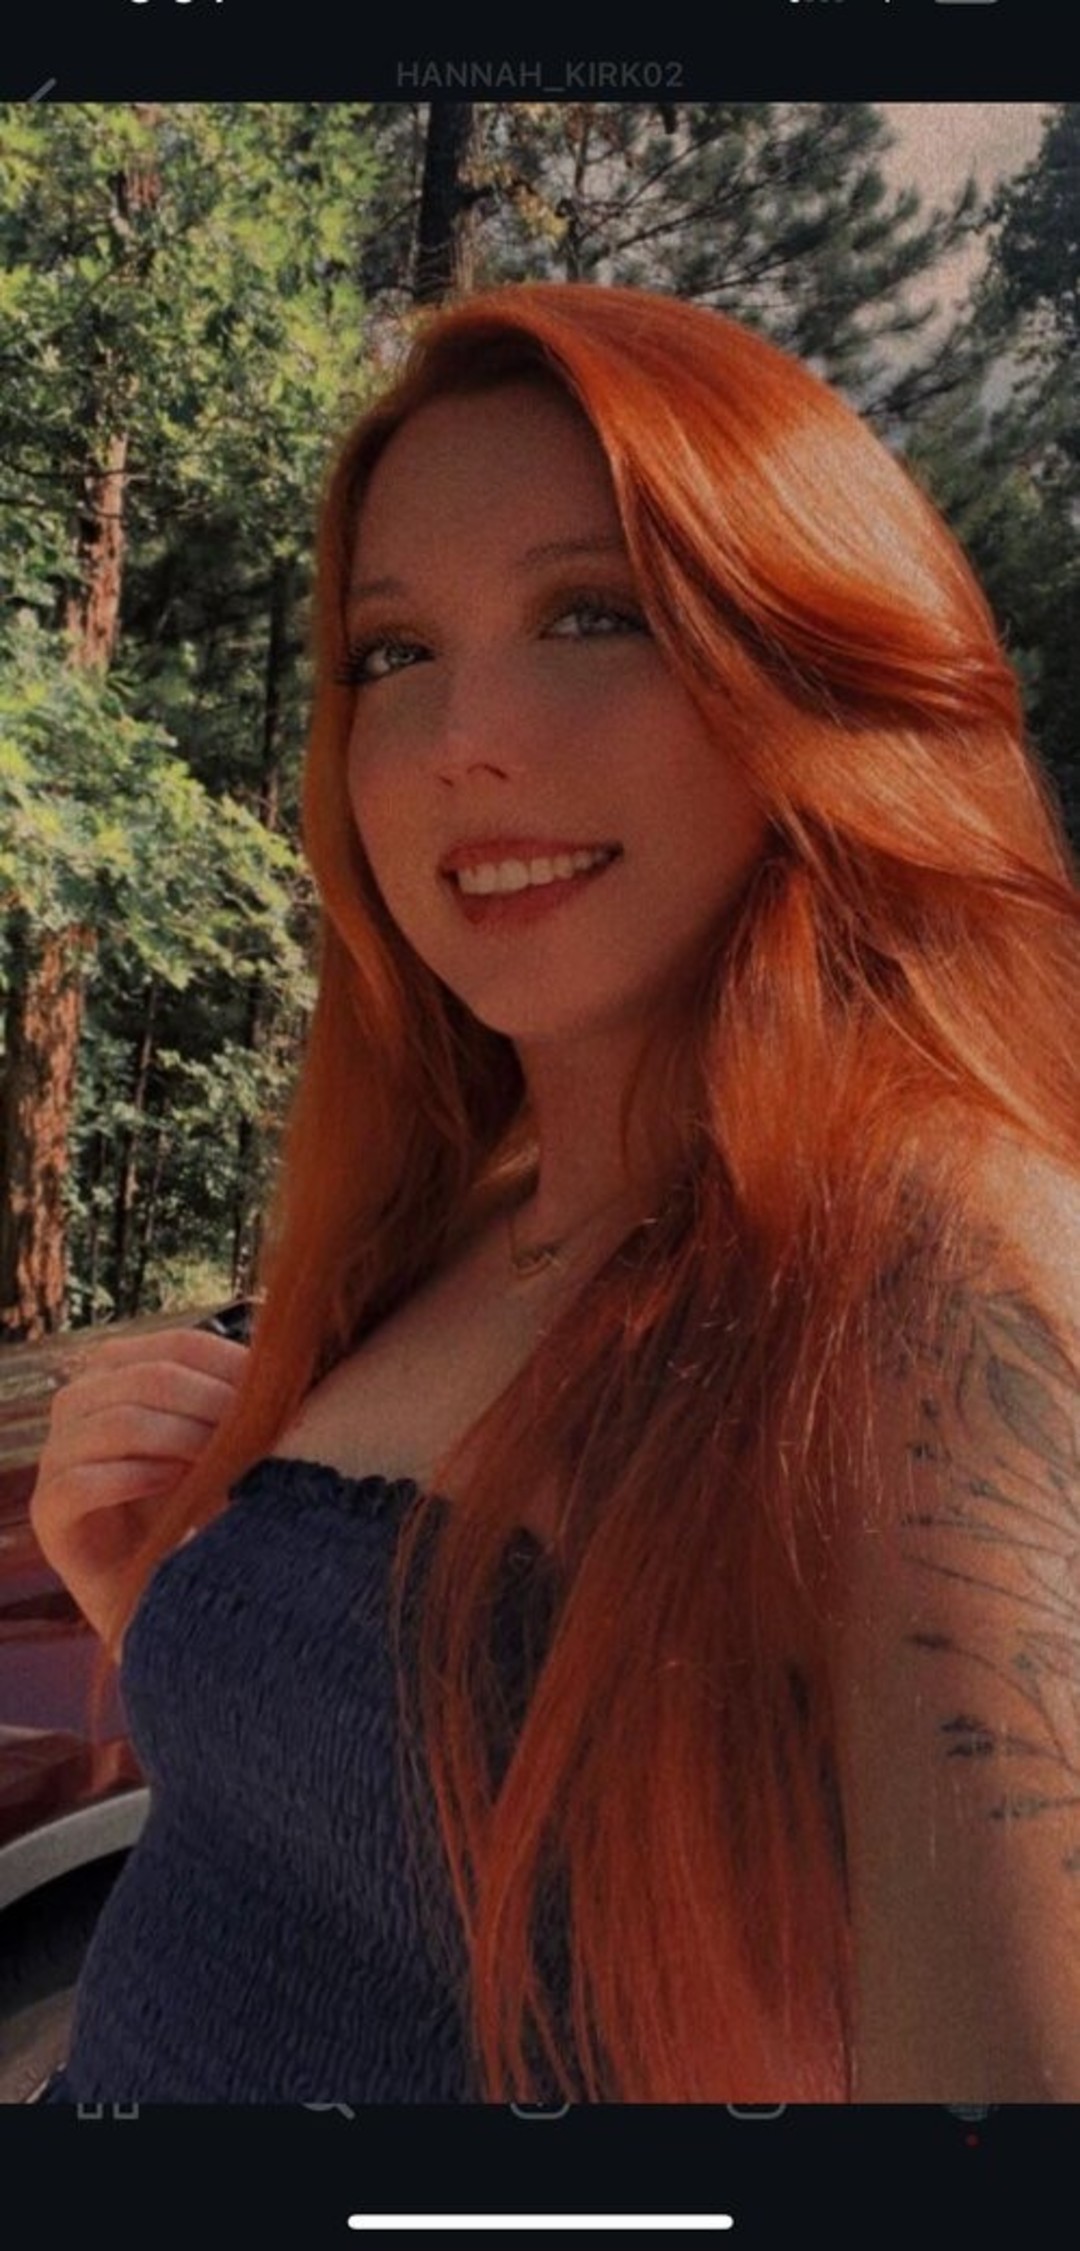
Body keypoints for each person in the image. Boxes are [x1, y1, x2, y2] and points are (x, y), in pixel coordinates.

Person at [30, 283, 1080, 2105]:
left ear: (818, 670)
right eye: (392, 651)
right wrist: (170, 1601)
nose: (460, 738)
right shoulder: (454, 1208)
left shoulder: (937, 1277)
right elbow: (397, 1875)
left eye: (592, 615)